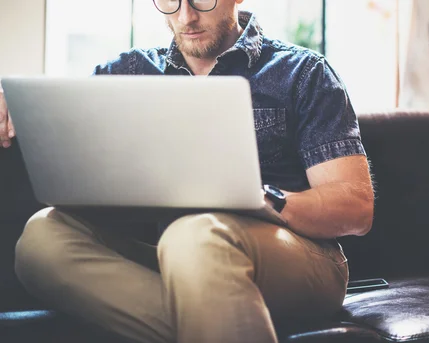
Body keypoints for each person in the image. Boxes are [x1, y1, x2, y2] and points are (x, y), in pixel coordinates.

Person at [0, 0, 374, 342]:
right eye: (169, 1)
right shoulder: (126, 72)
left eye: (202, 1)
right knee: (42, 236)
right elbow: (61, 118)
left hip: (297, 258)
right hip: (170, 258)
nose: (185, 17)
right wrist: (11, 106)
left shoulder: (303, 73)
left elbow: (355, 209)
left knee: (195, 235)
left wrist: (262, 197)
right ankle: (218, 321)